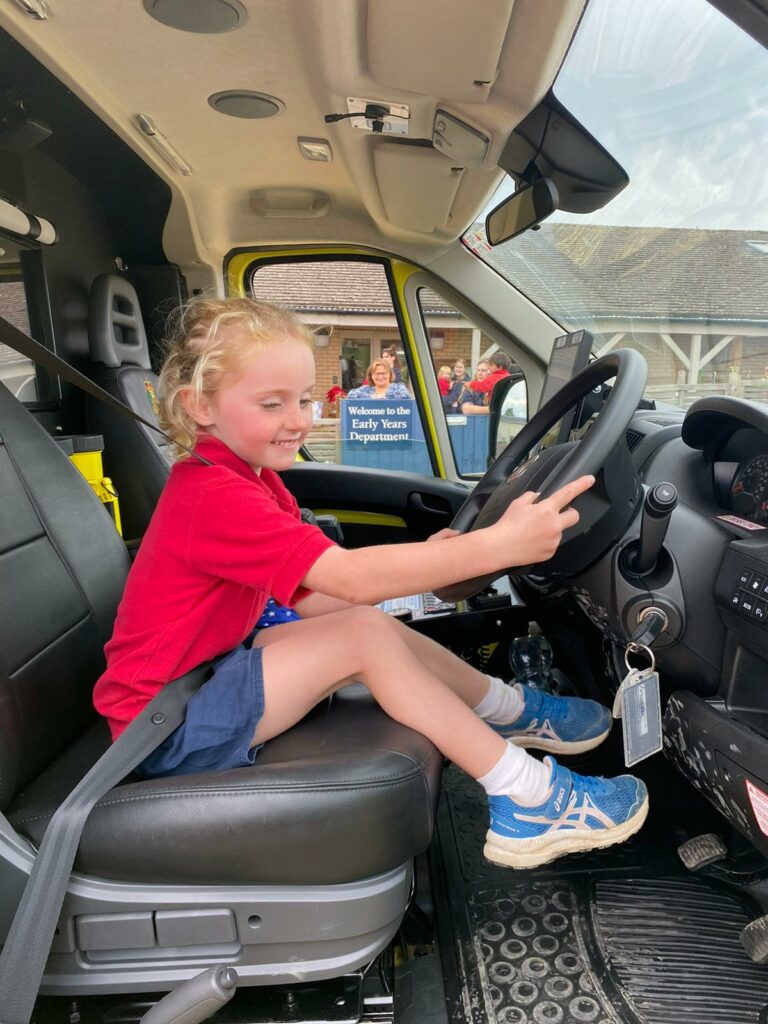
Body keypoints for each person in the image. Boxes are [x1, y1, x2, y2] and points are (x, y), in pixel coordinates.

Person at [92, 297, 647, 870]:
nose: (299, 419)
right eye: (271, 403)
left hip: (199, 681)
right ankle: (530, 799)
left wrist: (433, 569)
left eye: (305, 399)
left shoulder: (247, 479)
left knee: (364, 627)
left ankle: (507, 710)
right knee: (360, 633)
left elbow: (312, 596)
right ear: (199, 406)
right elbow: (348, 578)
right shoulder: (213, 496)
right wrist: (495, 546)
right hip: (164, 727)